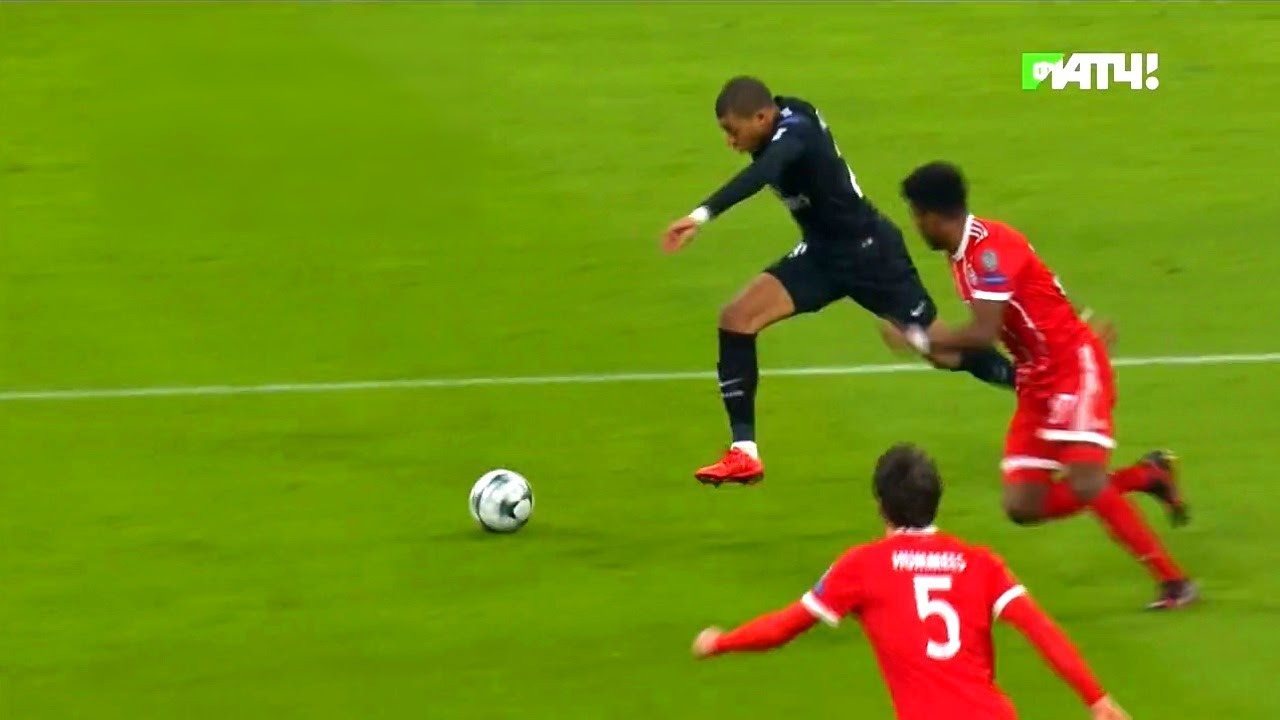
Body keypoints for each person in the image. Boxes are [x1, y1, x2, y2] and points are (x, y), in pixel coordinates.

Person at [661, 77, 1015, 486]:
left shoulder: (797, 131)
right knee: (736, 318)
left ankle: (1034, 385)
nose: (730, 141)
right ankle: (744, 452)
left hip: (870, 254)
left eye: (732, 130)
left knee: (939, 349)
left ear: (760, 117)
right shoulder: (778, 122)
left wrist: (700, 216)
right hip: (821, 255)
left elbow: (766, 172)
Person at [883, 161, 1196, 609]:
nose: (915, 226)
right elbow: (1005, 319)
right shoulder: (962, 257)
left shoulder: (988, 251)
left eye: (915, 215)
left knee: (1086, 481)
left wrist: (919, 337)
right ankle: (1148, 475)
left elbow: (983, 333)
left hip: (1072, 367)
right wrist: (931, 350)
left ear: (930, 215)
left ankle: (1174, 581)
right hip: (1037, 378)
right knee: (1022, 505)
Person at [692, 444, 1130, 720]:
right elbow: (1041, 630)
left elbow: (783, 627)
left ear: (881, 505)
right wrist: (1096, 698)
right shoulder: (980, 564)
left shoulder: (861, 566)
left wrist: (721, 642)